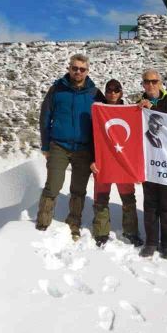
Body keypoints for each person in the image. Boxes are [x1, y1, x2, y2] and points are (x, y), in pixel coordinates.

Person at [36, 54, 104, 240]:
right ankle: (42, 223)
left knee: (78, 189)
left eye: (82, 69)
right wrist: (45, 145)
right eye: (74, 68)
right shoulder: (57, 90)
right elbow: (45, 117)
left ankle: (74, 224)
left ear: (87, 71)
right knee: (53, 185)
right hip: (59, 145)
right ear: (69, 68)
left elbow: (109, 115)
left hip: (83, 148)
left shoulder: (94, 93)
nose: (78, 72)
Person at [91, 79, 143, 248]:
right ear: (105, 92)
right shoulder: (98, 111)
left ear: (121, 92)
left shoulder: (130, 111)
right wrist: (92, 159)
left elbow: (137, 138)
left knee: (128, 198)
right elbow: (91, 137)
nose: (112, 93)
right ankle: (101, 231)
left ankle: (131, 231)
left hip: (123, 162)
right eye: (109, 90)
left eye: (116, 90)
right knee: (101, 197)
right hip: (103, 160)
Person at [138, 69, 167, 259]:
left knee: (166, 205)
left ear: (160, 82)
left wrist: (151, 110)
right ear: (143, 84)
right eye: (147, 81)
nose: (151, 85)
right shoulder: (139, 103)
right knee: (150, 204)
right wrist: (139, 109)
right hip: (149, 161)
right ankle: (152, 241)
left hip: (166, 161)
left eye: (154, 81)